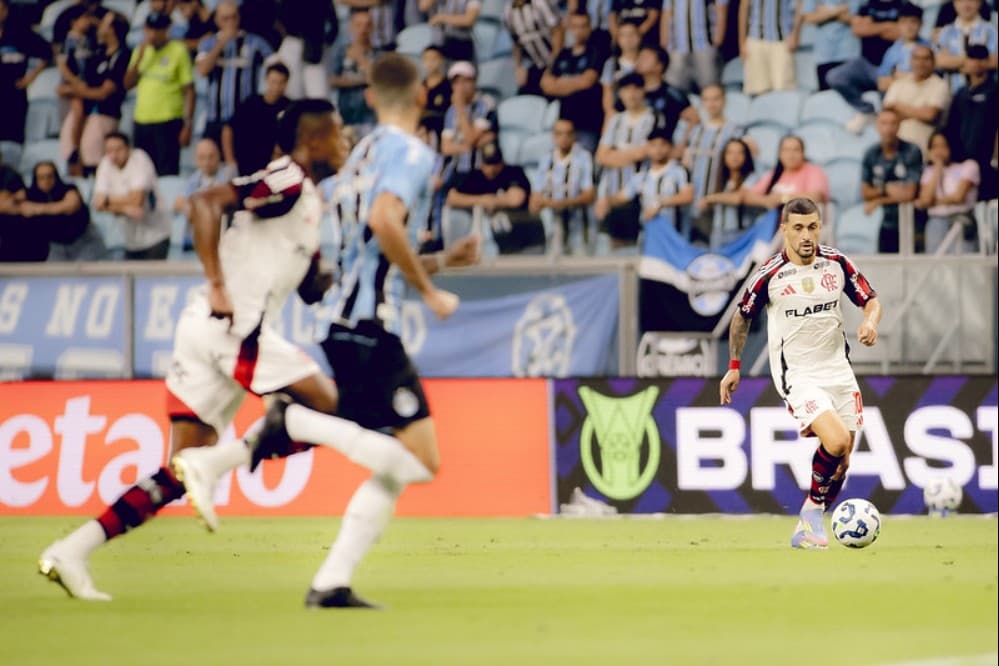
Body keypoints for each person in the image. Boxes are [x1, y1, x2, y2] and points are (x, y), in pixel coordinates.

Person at [181, 54, 466, 609]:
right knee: (420, 460)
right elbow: (384, 221)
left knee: (392, 463)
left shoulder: (361, 153)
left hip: (339, 320)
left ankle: (331, 580)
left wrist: (444, 261)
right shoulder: (410, 152)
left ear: (372, 97)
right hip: (367, 323)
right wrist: (430, 292)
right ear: (422, 95)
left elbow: (365, 246)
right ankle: (291, 419)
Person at [37, 99, 350, 601]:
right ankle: (221, 461)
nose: (345, 140)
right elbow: (205, 202)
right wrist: (218, 283)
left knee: (178, 470)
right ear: (313, 141)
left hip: (204, 328)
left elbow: (313, 288)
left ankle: (71, 551)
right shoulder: (288, 178)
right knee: (330, 406)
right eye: (337, 132)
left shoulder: (305, 200)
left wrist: (382, 264)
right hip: (233, 326)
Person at [720, 196, 882, 550]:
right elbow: (742, 316)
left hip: (839, 370)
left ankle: (805, 530)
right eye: (798, 228)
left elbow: (870, 299)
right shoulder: (770, 274)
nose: (806, 235)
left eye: (812, 227)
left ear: (820, 227)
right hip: (798, 375)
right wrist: (734, 367)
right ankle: (810, 516)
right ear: (784, 230)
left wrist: (870, 321)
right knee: (836, 441)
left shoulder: (836, 263)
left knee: (842, 462)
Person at [58, 10, 131, 177]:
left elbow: (105, 92)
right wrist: (72, 87)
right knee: (72, 154)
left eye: (104, 22)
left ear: (112, 29)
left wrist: (73, 90)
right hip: (86, 111)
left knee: (94, 160)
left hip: (104, 113)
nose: (98, 25)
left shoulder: (122, 55)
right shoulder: (98, 52)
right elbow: (83, 82)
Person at [124, 11, 195, 176]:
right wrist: (140, 57)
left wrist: (188, 124)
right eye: (150, 29)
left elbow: (189, 90)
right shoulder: (140, 50)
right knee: (141, 172)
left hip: (168, 121)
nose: (154, 34)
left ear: (166, 30)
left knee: (166, 172)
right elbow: (127, 84)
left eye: (158, 29)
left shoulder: (178, 51)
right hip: (142, 119)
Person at [194, 0, 274, 143]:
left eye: (233, 17)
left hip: (246, 119)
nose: (230, 22)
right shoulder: (208, 43)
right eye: (225, 18)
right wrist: (221, 43)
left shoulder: (256, 43)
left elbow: (277, 69)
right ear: (217, 20)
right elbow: (202, 70)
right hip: (215, 117)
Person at [594, 72, 656, 248]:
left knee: (638, 246)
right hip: (612, 191)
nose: (631, 94)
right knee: (613, 245)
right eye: (626, 89)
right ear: (620, 93)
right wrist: (629, 156)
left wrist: (614, 155)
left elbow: (645, 152)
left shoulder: (653, 118)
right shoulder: (616, 120)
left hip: (641, 193)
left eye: (636, 89)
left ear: (643, 91)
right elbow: (601, 156)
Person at [680, 84, 749, 241]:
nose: (711, 104)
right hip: (693, 202)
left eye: (715, 99)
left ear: (724, 100)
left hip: (720, 204)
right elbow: (685, 163)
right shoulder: (696, 132)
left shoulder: (735, 131)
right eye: (707, 99)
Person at [447, 141, 543, 254]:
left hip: (519, 225)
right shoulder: (476, 176)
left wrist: (493, 201)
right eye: (487, 164)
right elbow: (452, 198)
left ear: (501, 162)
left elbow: (516, 199)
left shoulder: (513, 172)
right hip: (489, 228)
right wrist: (482, 200)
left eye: (495, 164)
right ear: (482, 164)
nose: (491, 169)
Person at [826, 0, 906, 134]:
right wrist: (887, 26)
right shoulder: (867, 5)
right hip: (866, 62)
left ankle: (889, 125)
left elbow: (901, 33)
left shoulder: (902, 5)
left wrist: (872, 27)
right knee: (835, 77)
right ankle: (866, 110)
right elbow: (858, 30)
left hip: (892, 66)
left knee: (890, 91)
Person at [604, 127, 693, 243]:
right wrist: (606, 201)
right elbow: (622, 197)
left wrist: (661, 204)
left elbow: (687, 196)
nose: (658, 150)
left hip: (674, 237)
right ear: (647, 148)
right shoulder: (641, 177)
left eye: (663, 145)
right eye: (653, 145)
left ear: (670, 147)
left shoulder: (679, 172)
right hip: (648, 238)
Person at [91, 132, 172, 259]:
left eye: (118, 149)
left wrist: (107, 200)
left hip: (156, 236)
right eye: (109, 150)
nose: (114, 155)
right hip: (130, 240)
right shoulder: (105, 163)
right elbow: (97, 203)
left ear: (128, 148)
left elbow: (137, 200)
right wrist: (125, 209)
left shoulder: (140, 159)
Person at [542, 9, 609, 153]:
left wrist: (559, 83)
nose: (579, 31)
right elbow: (546, 85)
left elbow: (587, 81)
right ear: (569, 28)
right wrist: (575, 82)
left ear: (590, 27)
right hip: (564, 123)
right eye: (575, 26)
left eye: (583, 26)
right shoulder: (563, 54)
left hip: (588, 123)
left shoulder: (596, 52)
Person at [530, 119, 597, 255]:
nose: (564, 138)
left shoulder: (584, 157)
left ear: (574, 135)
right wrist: (549, 203)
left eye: (568, 133)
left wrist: (561, 203)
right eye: (559, 134)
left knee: (580, 258)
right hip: (552, 228)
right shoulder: (546, 159)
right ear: (553, 136)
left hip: (578, 227)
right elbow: (535, 201)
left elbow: (589, 195)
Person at [860, 109, 922, 253]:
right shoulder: (871, 154)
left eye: (893, 123)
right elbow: (865, 192)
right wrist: (887, 188)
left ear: (899, 126)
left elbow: (908, 194)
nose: (888, 128)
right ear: (877, 126)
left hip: (912, 220)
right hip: (884, 222)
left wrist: (878, 200)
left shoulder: (911, 151)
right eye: (884, 123)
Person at [0, 0, 52, 173]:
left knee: (13, 141)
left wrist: (31, 77)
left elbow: (47, 52)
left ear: (6, 10)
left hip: (13, 94)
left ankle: (11, 175)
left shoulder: (20, 33)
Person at [944, 44, 998, 200]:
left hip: (986, 161)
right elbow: (951, 126)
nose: (976, 63)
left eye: (981, 59)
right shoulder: (961, 93)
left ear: (987, 62)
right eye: (972, 58)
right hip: (961, 161)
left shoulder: (995, 91)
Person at [23, 160, 106, 262]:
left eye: (49, 176)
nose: (46, 181)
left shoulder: (68, 189)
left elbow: (71, 206)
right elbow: (19, 207)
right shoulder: (31, 194)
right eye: (41, 177)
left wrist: (38, 209)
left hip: (82, 241)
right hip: (56, 245)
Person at [222, 61, 291, 176]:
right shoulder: (251, 104)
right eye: (273, 81)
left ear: (286, 83)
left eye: (281, 82)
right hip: (245, 166)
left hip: (272, 170)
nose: (276, 87)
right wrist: (230, 161)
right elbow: (228, 130)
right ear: (266, 80)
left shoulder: (289, 108)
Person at [916, 131, 981, 254]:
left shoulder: (968, 166)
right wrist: (937, 169)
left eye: (943, 146)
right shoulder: (929, 171)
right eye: (935, 147)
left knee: (963, 260)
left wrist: (934, 202)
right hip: (936, 222)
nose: (939, 151)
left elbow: (958, 197)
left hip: (960, 220)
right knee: (935, 261)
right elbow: (925, 200)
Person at [882, 45, 950, 154]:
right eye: (916, 58)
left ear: (933, 62)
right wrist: (919, 112)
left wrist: (897, 105)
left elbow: (929, 115)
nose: (920, 63)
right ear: (911, 61)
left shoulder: (940, 86)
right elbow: (888, 112)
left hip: (924, 149)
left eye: (926, 59)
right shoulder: (899, 83)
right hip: (897, 149)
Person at [696, 137, 760, 248]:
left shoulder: (752, 178)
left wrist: (710, 198)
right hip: (718, 231)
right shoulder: (720, 178)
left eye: (739, 153)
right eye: (730, 153)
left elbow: (737, 199)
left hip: (741, 233)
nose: (734, 157)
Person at [440, 61, 498, 178]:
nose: (460, 87)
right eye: (456, 82)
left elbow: (470, 139)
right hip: (456, 170)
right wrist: (466, 147)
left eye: (465, 81)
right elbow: (445, 148)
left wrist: (460, 109)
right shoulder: (451, 110)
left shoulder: (486, 103)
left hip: (478, 171)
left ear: (474, 82)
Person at [743, 135, 830, 210]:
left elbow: (814, 197)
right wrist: (766, 201)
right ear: (779, 154)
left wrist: (782, 198)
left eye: (796, 150)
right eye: (786, 150)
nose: (790, 155)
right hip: (777, 222)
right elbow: (747, 196)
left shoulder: (814, 171)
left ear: (803, 153)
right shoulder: (775, 173)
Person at [328, 9, 377, 138]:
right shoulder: (340, 52)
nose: (363, 29)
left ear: (372, 28)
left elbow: (378, 80)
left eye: (367, 25)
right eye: (358, 25)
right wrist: (363, 80)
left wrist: (360, 58)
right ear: (351, 27)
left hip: (370, 117)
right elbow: (331, 79)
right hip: (346, 114)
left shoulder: (379, 54)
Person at [661, 0, 727, 92]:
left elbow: (721, 8)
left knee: (709, 84)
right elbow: (667, 14)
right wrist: (664, 41)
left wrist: (718, 38)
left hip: (704, 45)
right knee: (675, 86)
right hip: (677, 47)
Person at [738, 0, 802, 95]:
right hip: (755, 39)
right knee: (759, 89)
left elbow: (800, 5)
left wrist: (796, 33)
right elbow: (744, 8)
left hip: (782, 41)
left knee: (783, 89)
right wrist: (742, 42)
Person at [935, 0, 998, 93]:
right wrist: (977, 62)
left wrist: (954, 62)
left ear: (979, 3)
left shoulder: (991, 31)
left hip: (986, 94)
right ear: (954, 3)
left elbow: (994, 62)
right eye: (961, 1)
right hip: (952, 92)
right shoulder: (945, 32)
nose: (966, 4)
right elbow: (939, 61)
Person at [504, 0, 564, 96]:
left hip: (555, 61)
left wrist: (553, 63)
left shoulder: (540, 3)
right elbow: (516, 43)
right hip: (534, 65)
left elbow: (558, 31)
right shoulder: (508, 11)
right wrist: (518, 68)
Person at [800, 0, 859, 90]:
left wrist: (825, 12)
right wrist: (839, 10)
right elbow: (808, 18)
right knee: (826, 96)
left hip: (849, 53)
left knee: (850, 94)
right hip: (824, 55)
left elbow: (857, 19)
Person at [601, 21, 642, 118]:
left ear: (639, 37)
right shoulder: (611, 64)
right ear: (618, 39)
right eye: (624, 35)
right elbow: (607, 92)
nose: (628, 39)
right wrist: (610, 113)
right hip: (619, 112)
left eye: (632, 34)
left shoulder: (646, 61)